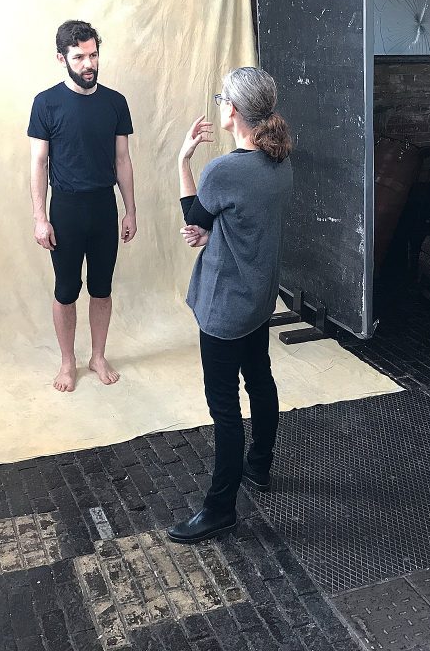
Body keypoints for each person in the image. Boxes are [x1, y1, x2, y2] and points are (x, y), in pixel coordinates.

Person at [167, 66, 294, 544]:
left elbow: (195, 214)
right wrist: (211, 232)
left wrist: (183, 161)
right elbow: (238, 224)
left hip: (224, 310)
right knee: (259, 381)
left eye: (222, 98)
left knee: (224, 408)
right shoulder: (280, 164)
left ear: (234, 111)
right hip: (259, 300)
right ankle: (259, 468)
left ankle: (220, 508)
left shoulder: (222, 170)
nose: (219, 104)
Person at [28, 20, 137, 392]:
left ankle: (98, 355)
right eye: (79, 57)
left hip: (104, 208)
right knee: (66, 289)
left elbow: (123, 160)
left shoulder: (115, 103)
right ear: (62, 58)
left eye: (93, 55)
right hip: (67, 210)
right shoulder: (46, 104)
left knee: (102, 288)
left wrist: (131, 210)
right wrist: (40, 218)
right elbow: (38, 163)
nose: (89, 64)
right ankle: (66, 362)